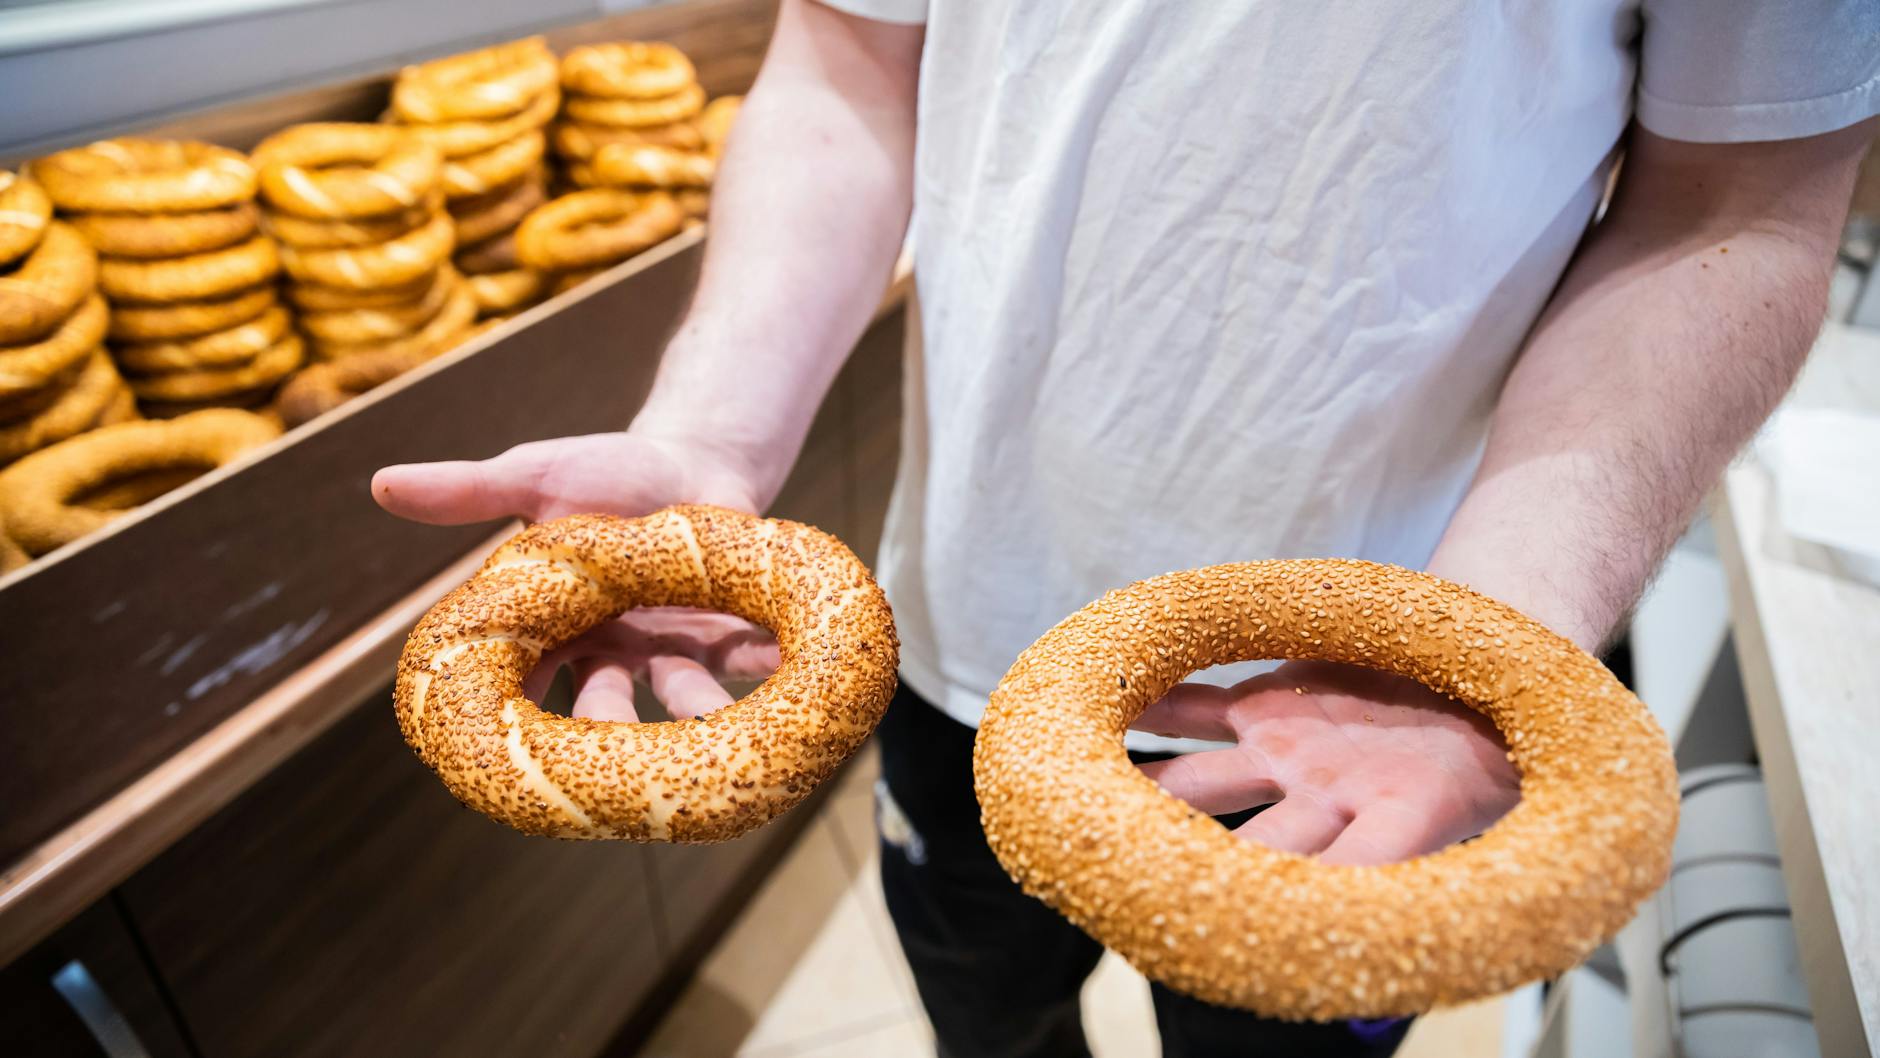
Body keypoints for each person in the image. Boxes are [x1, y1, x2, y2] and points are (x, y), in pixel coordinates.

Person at [375, 1, 1877, 1054]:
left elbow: (1733, 208)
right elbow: (846, 65)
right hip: (948, 630)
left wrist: (1485, 642)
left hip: (1383, 717)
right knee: (986, 1016)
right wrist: (711, 431)